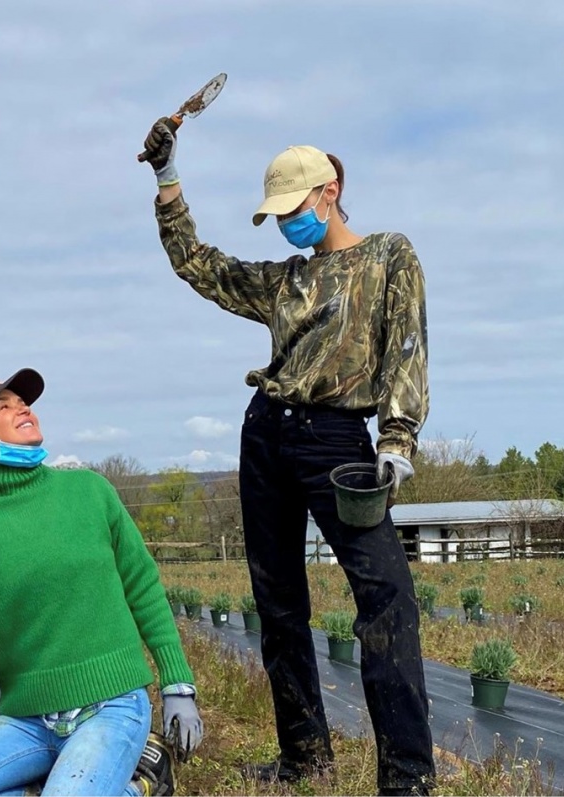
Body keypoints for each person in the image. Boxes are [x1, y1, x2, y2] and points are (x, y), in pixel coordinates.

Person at [139, 120, 435, 796]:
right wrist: (166, 179)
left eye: (294, 211)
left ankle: (407, 776)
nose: (284, 227)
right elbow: (199, 264)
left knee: (387, 600)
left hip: (338, 445)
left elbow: (407, 349)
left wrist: (396, 438)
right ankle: (305, 757)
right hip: (266, 434)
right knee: (277, 604)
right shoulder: (282, 283)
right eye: (276, 217)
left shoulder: (389, 256)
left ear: (329, 193)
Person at [0, 369, 203, 797]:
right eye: (4, 406)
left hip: (113, 705)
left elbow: (142, 586)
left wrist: (178, 684)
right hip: (27, 721)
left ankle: (139, 784)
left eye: (23, 402)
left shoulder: (89, 491)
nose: (23, 408)